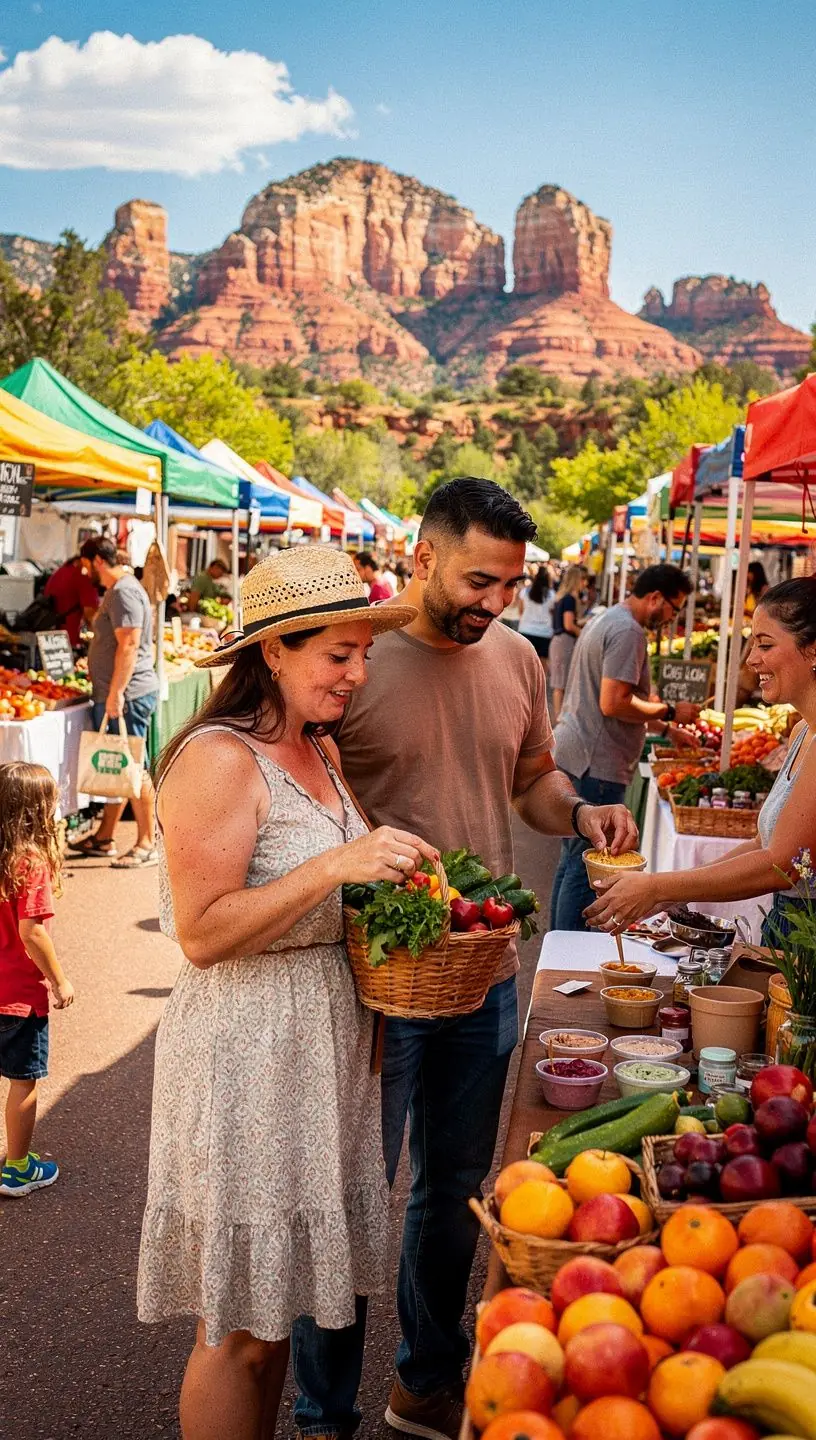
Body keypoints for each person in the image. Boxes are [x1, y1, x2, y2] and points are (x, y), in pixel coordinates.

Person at [291, 479, 636, 1440]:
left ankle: (424, 1382)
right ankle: (324, 1412)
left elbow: (529, 777)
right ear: (423, 556)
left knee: (452, 1192)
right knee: (355, 1194)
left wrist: (577, 812)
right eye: (478, 580)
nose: (495, 603)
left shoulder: (518, 661)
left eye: (510, 586)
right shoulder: (354, 659)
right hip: (370, 976)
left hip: (481, 970)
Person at [137, 547, 434, 1440]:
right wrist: (339, 863)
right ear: (273, 651)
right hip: (244, 1052)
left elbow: (334, 900)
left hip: (317, 1047)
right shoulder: (220, 759)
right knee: (237, 1330)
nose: (356, 672)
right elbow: (203, 933)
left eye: (362, 653)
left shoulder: (319, 749)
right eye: (336, 655)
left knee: (277, 1324)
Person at [586, 575, 816, 937]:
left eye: (765, 645)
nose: (752, 659)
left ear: (813, 650)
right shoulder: (802, 731)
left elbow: (780, 865)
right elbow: (763, 844)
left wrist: (660, 888)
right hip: (787, 930)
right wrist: (669, 892)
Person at [551, 563, 699, 932]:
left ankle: (560, 944)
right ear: (655, 598)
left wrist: (665, 727)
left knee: (572, 862)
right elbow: (613, 702)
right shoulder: (628, 632)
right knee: (587, 871)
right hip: (595, 763)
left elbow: (620, 701)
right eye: (674, 608)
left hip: (579, 752)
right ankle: (570, 950)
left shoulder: (607, 617)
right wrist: (668, 710)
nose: (671, 618)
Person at [0, 762, 75, 1197]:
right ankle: (17, 1168)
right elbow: (32, 932)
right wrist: (60, 980)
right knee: (22, 1081)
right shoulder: (30, 863)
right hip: (18, 996)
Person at [68, 538, 159, 868]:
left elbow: (130, 644)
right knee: (120, 763)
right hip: (122, 692)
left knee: (135, 766)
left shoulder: (123, 591)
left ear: (96, 561)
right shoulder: (121, 590)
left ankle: (148, 842)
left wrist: (117, 693)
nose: (83, 571)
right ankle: (105, 836)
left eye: (84, 564)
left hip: (129, 693)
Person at [548, 564, 584, 718]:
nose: (585, 584)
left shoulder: (562, 597)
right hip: (564, 642)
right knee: (561, 683)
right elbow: (568, 625)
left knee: (559, 682)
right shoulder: (569, 599)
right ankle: (559, 718)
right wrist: (581, 632)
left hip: (558, 641)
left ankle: (559, 717)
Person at [42, 554, 99, 648]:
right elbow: (92, 616)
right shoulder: (83, 576)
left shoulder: (62, 570)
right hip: (72, 642)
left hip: (51, 639)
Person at [518, 563, 555, 671]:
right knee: (542, 666)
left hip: (526, 630)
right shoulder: (551, 594)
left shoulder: (525, 592)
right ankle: (539, 688)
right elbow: (553, 612)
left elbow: (520, 611)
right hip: (545, 632)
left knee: (525, 665)